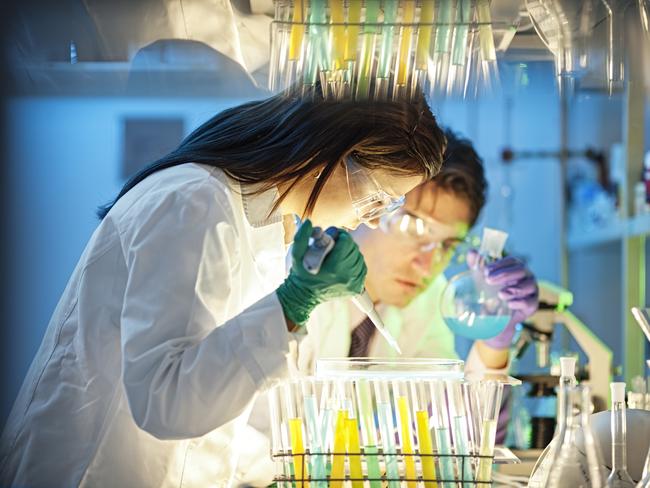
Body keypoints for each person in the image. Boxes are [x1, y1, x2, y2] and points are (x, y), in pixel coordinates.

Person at [0, 85, 447, 487]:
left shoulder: (272, 225)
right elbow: (166, 401)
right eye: (378, 198)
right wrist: (294, 303)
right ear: (330, 156)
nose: (373, 218)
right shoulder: (193, 200)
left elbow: (229, 405)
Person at [302, 129, 539, 372]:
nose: (426, 266)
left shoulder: (428, 301)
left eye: (448, 245)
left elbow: (447, 406)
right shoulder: (294, 279)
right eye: (414, 226)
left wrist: (494, 344)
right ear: (369, 206)